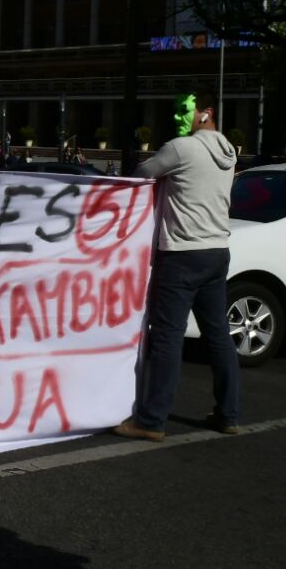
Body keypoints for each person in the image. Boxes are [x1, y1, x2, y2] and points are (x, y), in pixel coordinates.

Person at [113, 90, 240, 443]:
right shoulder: (228, 152)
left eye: (185, 109)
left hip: (182, 254)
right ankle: (228, 413)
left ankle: (151, 420)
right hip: (217, 251)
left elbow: (141, 173)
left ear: (206, 112)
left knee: (167, 337)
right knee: (218, 336)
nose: (178, 116)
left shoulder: (182, 148)